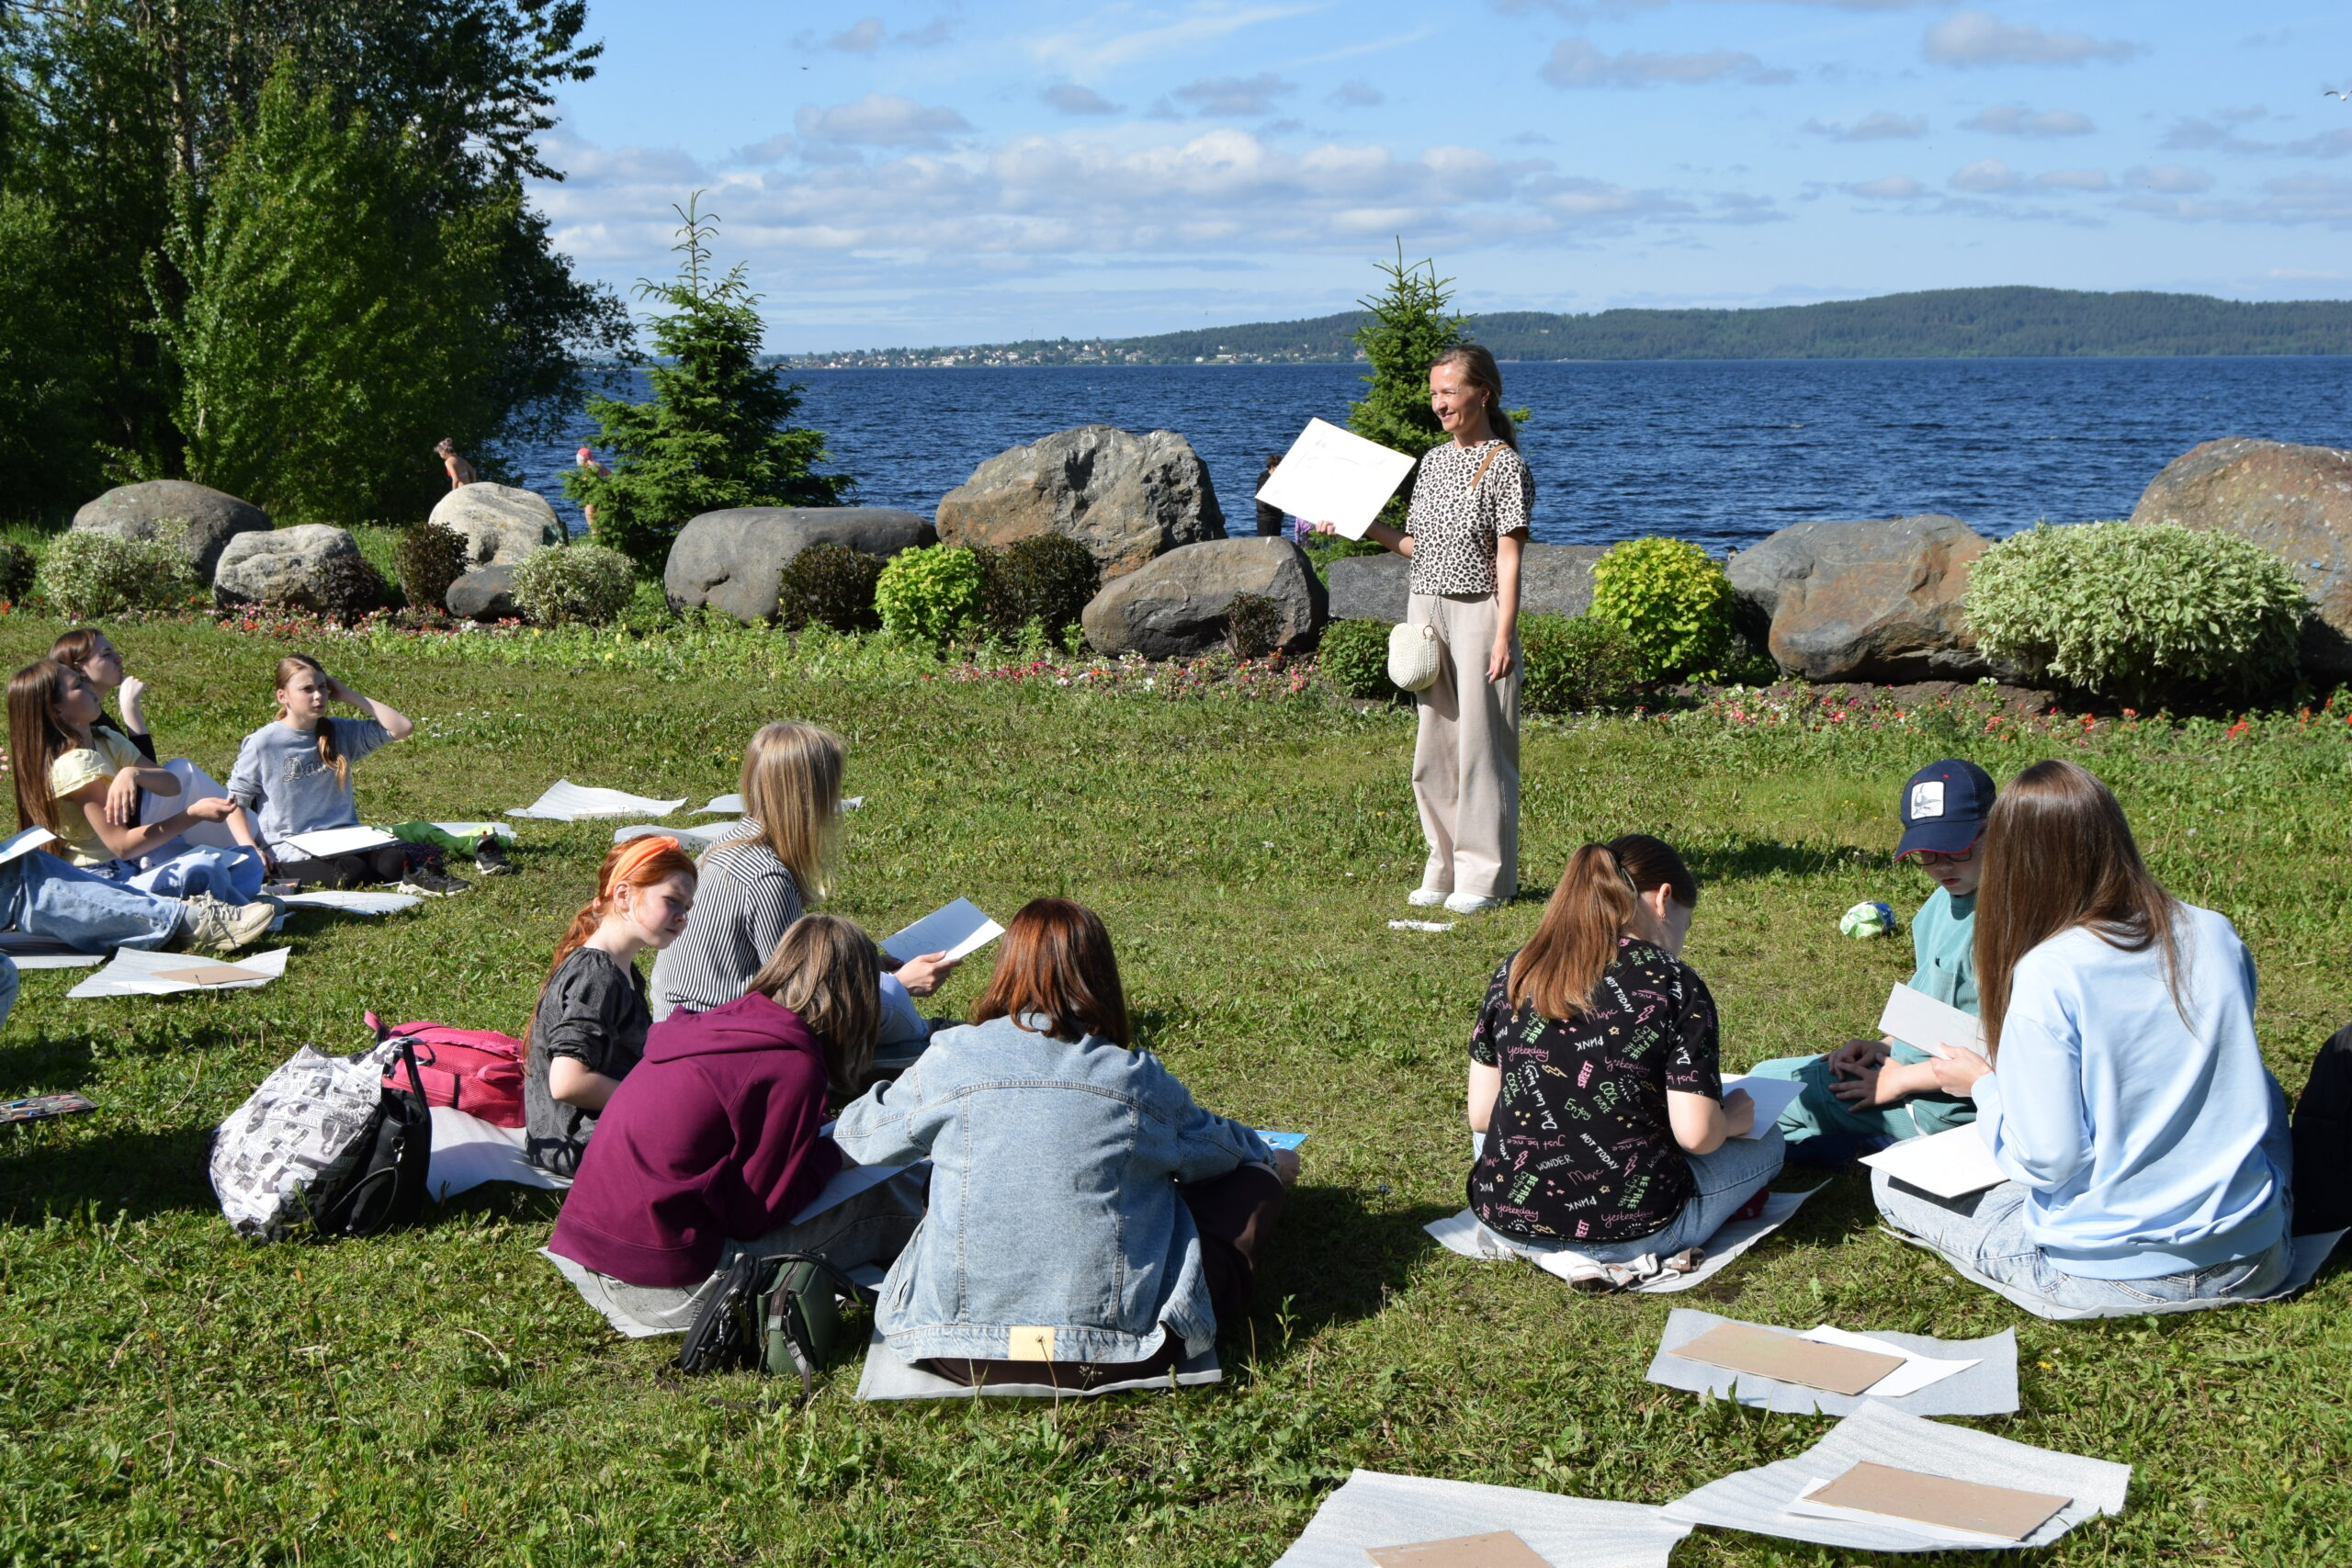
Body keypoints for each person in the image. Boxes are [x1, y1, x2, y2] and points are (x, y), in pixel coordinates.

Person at [1871, 760, 2294, 1317]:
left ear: (2013, 857)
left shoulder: (2050, 970)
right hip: (2258, 1252)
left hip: (2115, 1274)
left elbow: (2051, 1159)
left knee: (1894, 1179)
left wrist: (1986, 1088)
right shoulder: (2214, 931)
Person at [834, 898, 1295, 1389]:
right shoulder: (1132, 1076)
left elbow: (858, 1137)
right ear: (1101, 976)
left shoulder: (952, 1056)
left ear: (1006, 967)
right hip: (1124, 1350)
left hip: (952, 1349)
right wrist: (1272, 1166)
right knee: (1258, 1180)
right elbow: (1227, 1152)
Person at [546, 913, 923, 1337]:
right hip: (673, 1287)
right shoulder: (791, 1065)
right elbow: (754, 1216)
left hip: (597, 1254)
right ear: (856, 996)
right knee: (890, 1192)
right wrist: (831, 1157)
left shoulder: (719, 1025)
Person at [1465, 835, 1781, 1284]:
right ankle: (1589, 1251)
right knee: (1772, 1146)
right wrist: (1731, 1121)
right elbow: (1696, 1136)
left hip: (1509, 1217)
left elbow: (1481, 1116)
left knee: (1491, 1142)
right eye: (1683, 929)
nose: (1679, 945)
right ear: (1663, 900)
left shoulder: (1516, 968)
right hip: (1635, 1231)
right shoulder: (1673, 980)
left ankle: (1547, 1253)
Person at [1314, 344, 1532, 914]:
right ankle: (1444, 867)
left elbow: (1508, 559)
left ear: (1482, 393)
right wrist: (1362, 527)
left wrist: (1504, 635)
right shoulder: (1433, 462)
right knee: (1434, 747)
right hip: (1426, 608)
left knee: (1482, 747)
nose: (1439, 404)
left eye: (1450, 392)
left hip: (1480, 612)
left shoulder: (1505, 465)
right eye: (1434, 393)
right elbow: (1418, 547)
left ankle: (1485, 880)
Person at [649, 722, 956, 1069]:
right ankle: (922, 1037)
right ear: (813, 798)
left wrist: (863, 966)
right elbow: (800, 998)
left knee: (881, 993)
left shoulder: (723, 847)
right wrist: (899, 985)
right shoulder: (766, 877)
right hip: (723, 1041)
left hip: (680, 1022)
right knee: (890, 1002)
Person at [1746, 759, 1994, 1163]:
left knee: (1759, 1097)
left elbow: (2002, 1054)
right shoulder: (1944, 899)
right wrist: (1885, 1045)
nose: (1941, 867)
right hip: (1903, 1071)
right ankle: (1850, 1144)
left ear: (1995, 827)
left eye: (1957, 849)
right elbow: (1935, 1001)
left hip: (1943, 1108)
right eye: (1926, 854)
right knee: (1766, 1074)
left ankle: (1883, 1145)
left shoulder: (2003, 924)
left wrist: (1898, 1081)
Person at [5, 660, 277, 953]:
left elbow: (172, 784)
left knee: (245, 859)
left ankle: (224, 905)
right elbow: (122, 845)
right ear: (56, 710)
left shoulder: (105, 740)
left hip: (132, 867)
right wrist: (192, 815)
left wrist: (133, 773)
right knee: (205, 866)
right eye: (77, 686)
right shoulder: (75, 764)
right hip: (101, 878)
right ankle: (218, 914)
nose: (88, 687)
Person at [225, 655, 509, 892]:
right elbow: (235, 802)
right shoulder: (264, 743)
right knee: (350, 871)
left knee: (395, 861)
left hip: (347, 837)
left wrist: (348, 694)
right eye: (307, 689)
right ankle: (275, 875)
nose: (317, 696)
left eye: (323, 688)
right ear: (282, 696)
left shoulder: (339, 731)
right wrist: (251, 850)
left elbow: (401, 727)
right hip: (291, 845)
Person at [524, 837, 697, 1176]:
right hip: (579, 1143)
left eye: (686, 908)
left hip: (605, 1129)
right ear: (623, 896)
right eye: (672, 901)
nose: (681, 917)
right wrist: (653, 1103)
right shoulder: (596, 974)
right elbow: (567, 1082)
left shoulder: (620, 968)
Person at [575, 446, 608, 535]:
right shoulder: (599, 465)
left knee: (594, 528)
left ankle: (596, 546)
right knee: (602, 526)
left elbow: (585, 484)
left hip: (592, 500)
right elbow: (610, 475)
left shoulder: (588, 469)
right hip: (603, 497)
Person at [1254, 454, 1284, 536]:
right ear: (1272, 467)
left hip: (1275, 518)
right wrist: (1280, 506)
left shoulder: (1275, 479)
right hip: (1267, 519)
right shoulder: (1264, 480)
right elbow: (1263, 501)